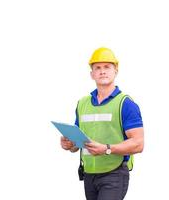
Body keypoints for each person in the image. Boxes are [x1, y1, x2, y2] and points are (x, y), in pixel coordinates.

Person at [60, 47, 144, 200]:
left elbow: (138, 144)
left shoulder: (125, 103)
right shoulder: (82, 103)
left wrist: (106, 149)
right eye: (97, 67)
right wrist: (69, 144)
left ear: (115, 71)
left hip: (114, 173)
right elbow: (79, 143)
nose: (102, 71)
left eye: (107, 67)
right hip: (89, 174)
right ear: (92, 74)